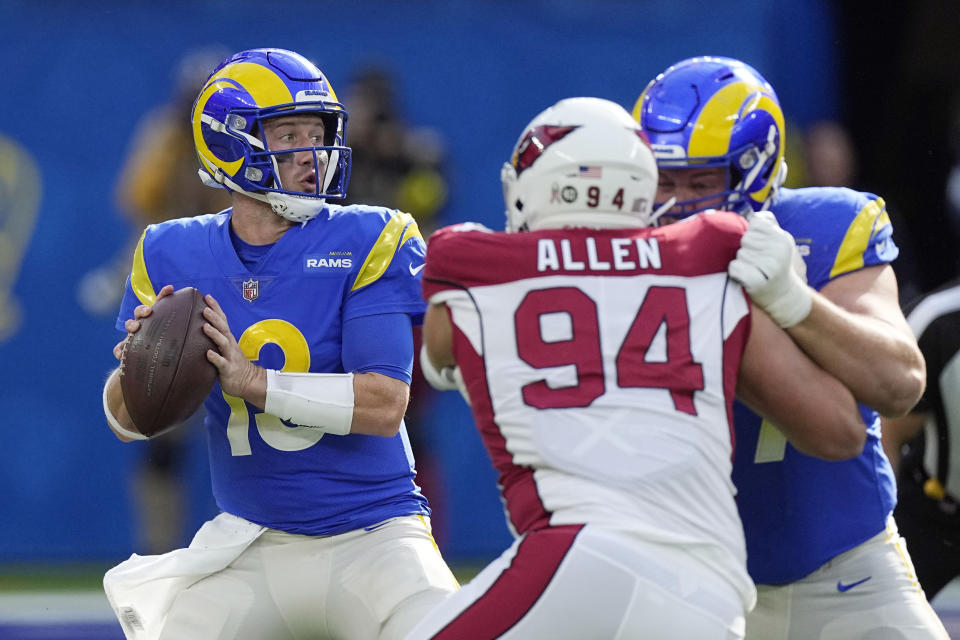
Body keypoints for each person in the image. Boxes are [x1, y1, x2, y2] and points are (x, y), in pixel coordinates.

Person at [406, 97, 867, 639]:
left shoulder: (470, 266)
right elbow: (841, 431)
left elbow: (437, 362)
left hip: (579, 557)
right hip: (714, 590)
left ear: (538, 183)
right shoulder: (712, 257)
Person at [100, 48, 458, 640]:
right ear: (231, 141)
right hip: (250, 544)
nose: (311, 154)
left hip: (376, 539)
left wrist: (254, 383)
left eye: (316, 134)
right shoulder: (171, 251)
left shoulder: (370, 236)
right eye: (288, 134)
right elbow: (128, 422)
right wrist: (136, 371)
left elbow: (383, 404)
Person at [634, 56, 947, 638]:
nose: (674, 204)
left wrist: (794, 300)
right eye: (662, 179)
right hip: (686, 582)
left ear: (754, 171)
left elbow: (900, 383)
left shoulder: (824, 227)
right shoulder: (619, 255)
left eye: (700, 182)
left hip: (845, 573)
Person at [882, 277, 960, 600]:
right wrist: (877, 531)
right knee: (881, 615)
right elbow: (888, 433)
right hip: (936, 514)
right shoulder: (937, 319)